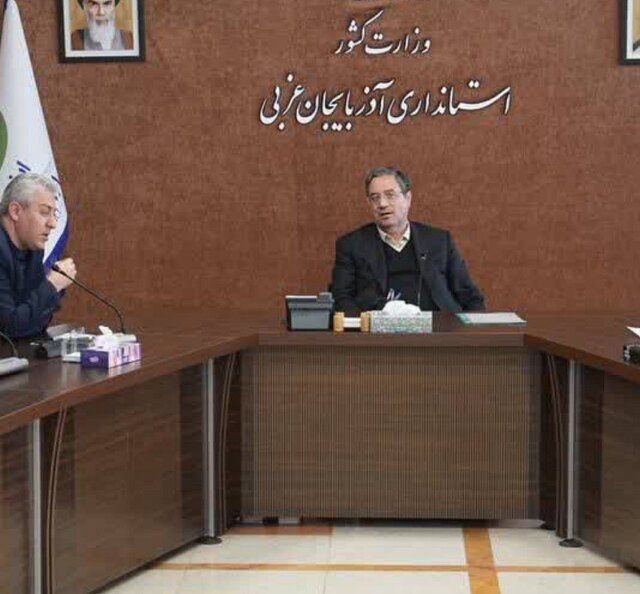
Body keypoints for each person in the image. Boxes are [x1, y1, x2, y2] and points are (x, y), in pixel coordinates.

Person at [331, 166, 485, 315]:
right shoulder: (352, 245)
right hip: (381, 329)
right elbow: (341, 298)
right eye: (375, 198)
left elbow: (470, 296)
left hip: (439, 327)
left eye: (390, 195)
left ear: (408, 198)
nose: (382, 204)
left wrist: (475, 329)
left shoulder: (439, 241)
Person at [0, 173, 77, 339]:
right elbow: (8, 330)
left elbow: (36, 322)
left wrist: (50, 290)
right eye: (44, 212)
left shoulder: (33, 248)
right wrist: (53, 285)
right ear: (15, 211)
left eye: (54, 214)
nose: (53, 224)